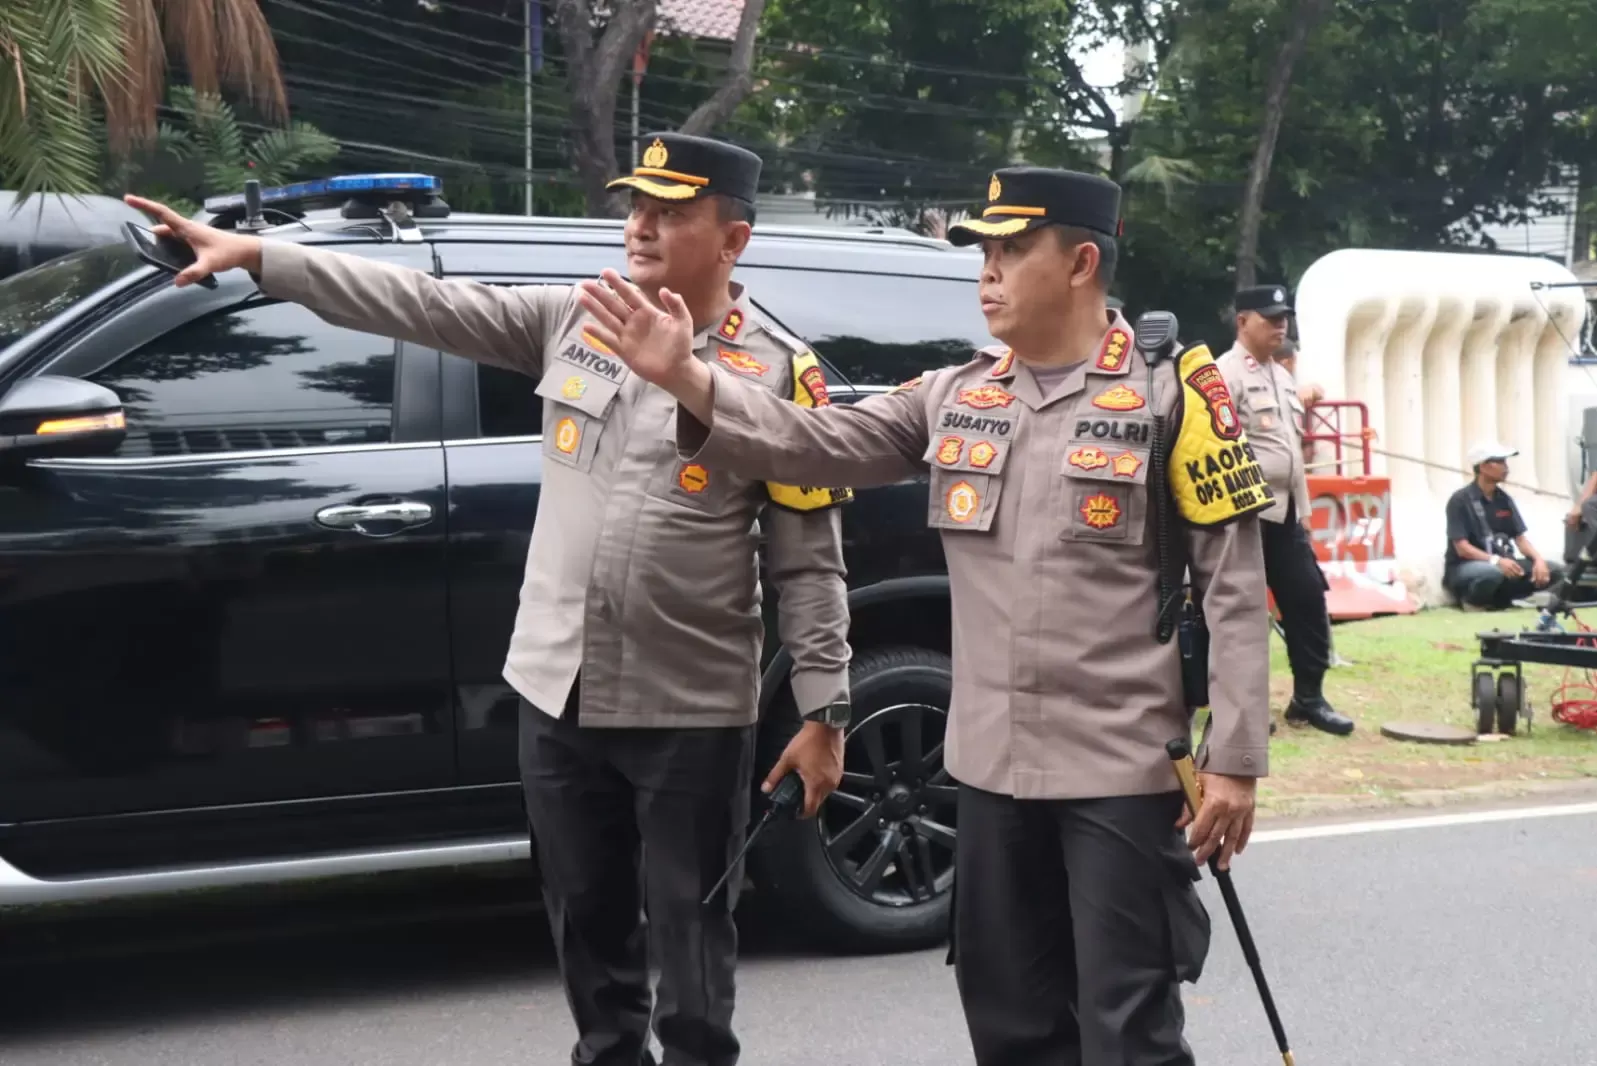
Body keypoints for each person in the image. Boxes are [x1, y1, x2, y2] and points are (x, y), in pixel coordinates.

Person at [125, 132, 856, 1066]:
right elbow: (421, 303)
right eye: (635, 206)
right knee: (585, 921)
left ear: (733, 240)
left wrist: (824, 711)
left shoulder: (779, 375)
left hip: (690, 703)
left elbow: (808, 561)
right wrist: (262, 256)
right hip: (556, 688)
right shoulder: (576, 319)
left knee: (691, 933)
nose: (639, 227)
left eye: (669, 213)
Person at [577, 165, 1274, 1066]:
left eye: (1011, 250)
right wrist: (688, 378)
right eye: (982, 253)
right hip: (983, 771)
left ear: (1080, 263)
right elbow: (813, 439)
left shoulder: (1173, 396)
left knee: (1128, 1029)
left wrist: (1233, 764)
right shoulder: (954, 394)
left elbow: (1233, 589)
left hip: (1122, 772)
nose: (987, 273)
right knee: (1009, 1022)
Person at [1217, 286, 1353, 736]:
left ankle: (1308, 699)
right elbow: (1217, 450)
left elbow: (1291, 450)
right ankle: (1241, 706)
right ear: (1242, 321)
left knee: (1308, 599)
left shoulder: (1282, 375)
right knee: (1241, 614)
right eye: (1271, 318)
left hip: (1287, 514)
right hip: (1244, 516)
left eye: (1284, 318)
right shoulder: (1223, 374)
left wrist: (1305, 511)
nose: (1281, 325)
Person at [1445, 442, 1563, 610]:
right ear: (1483, 466)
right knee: (1492, 573)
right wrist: (1496, 561)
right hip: (1466, 567)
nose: (1506, 467)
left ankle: (1510, 600)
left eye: (1505, 462)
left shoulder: (1504, 499)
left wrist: (1538, 560)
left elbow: (1520, 539)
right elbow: (1462, 548)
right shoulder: (1460, 500)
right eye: (1499, 462)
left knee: (1555, 570)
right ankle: (1473, 602)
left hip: (1504, 563)